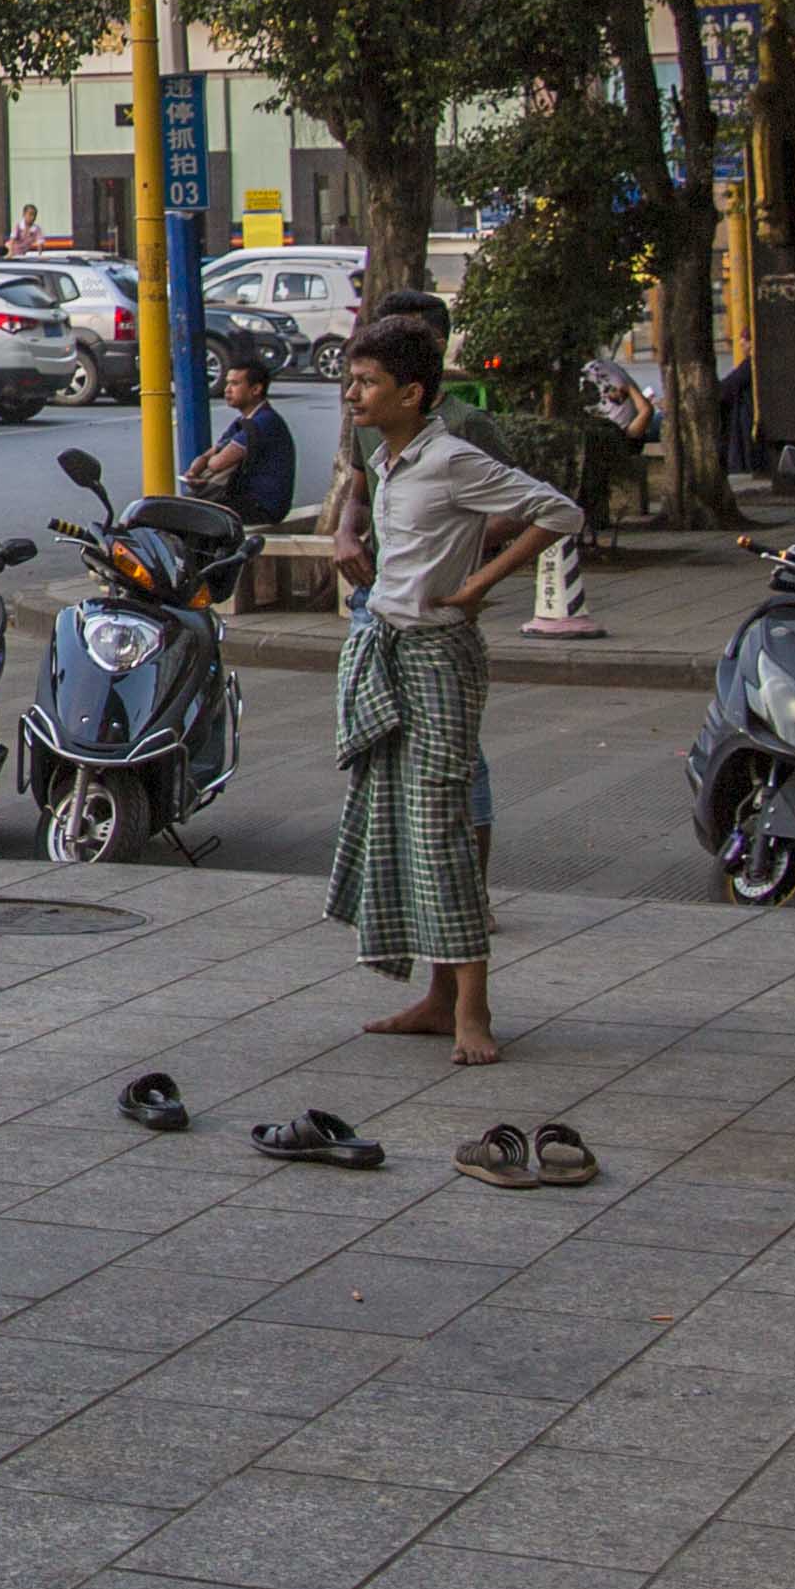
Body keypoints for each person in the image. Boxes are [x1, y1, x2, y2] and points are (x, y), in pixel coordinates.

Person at [320, 313, 570, 1068]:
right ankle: (435, 998)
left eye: (367, 384)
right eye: (351, 382)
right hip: (387, 648)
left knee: (440, 830)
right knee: (399, 827)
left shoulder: (453, 457)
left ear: (413, 392)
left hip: (437, 657)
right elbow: (367, 518)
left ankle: (473, 1009)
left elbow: (558, 512)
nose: (353, 396)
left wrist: (478, 585)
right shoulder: (388, 457)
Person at [184, 350, 298, 525]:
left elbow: (217, 463)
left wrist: (211, 460)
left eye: (235, 384)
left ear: (256, 389)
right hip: (243, 500)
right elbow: (208, 455)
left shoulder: (265, 421)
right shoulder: (242, 421)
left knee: (188, 515)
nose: (227, 389)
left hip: (262, 507)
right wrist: (193, 473)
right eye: (228, 383)